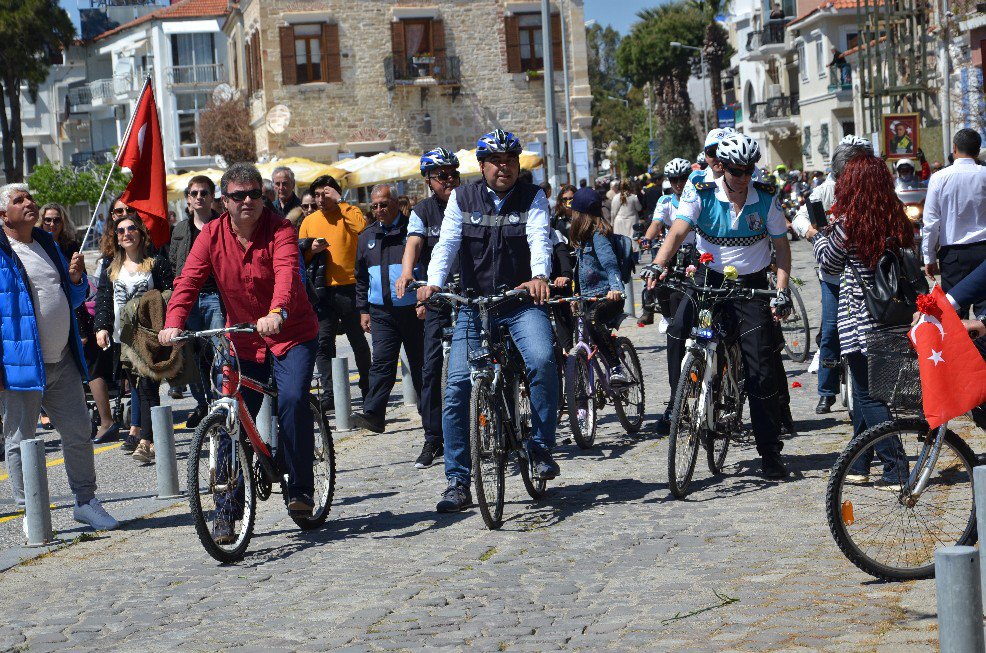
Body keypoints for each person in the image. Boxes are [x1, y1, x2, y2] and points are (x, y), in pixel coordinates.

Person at [159, 162, 321, 534]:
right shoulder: (211, 235)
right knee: (229, 419)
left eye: (254, 194)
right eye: (238, 195)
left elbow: (286, 274)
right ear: (223, 201)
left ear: (263, 198)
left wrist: (277, 311)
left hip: (290, 333)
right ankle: (227, 513)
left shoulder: (280, 228)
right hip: (243, 338)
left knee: (293, 398)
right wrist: (173, 323)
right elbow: (188, 280)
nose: (247, 201)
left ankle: (300, 488)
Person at [417, 129, 560, 512]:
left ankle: (541, 446)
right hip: (473, 305)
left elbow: (539, 240)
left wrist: (540, 277)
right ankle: (457, 480)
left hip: (519, 301)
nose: (504, 166)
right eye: (496, 161)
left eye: (511, 160)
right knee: (457, 388)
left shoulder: (534, 196)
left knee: (543, 360)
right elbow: (447, 244)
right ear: (481, 166)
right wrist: (433, 284)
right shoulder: (463, 197)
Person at [648, 133, 794, 478]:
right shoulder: (701, 192)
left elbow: (782, 249)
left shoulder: (767, 198)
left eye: (748, 170)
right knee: (682, 330)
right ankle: (683, 398)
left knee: (761, 370)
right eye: (735, 170)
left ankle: (770, 452)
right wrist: (659, 263)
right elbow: (678, 231)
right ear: (723, 167)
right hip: (710, 281)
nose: (742, 177)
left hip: (751, 287)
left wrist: (782, 290)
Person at [0, 183, 119, 531]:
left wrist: (76, 279)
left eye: (29, 197)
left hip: (62, 358)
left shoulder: (47, 243)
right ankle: (30, 513)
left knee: (79, 432)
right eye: (19, 200)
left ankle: (85, 502)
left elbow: (73, 297)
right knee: (20, 441)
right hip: (20, 364)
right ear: (3, 214)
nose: (29, 203)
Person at [811, 154, 911, 484]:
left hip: (859, 318)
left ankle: (896, 466)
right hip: (893, 316)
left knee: (869, 396)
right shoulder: (896, 217)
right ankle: (858, 463)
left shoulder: (849, 223)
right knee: (868, 390)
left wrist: (817, 236)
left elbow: (829, 264)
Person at [792, 136, 874, 414]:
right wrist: (815, 234)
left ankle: (873, 387)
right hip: (834, 277)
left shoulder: (874, 191)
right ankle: (826, 390)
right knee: (830, 332)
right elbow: (800, 218)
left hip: (866, 278)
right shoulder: (826, 191)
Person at [395, 147, 461, 468]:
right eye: (442, 176)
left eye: (453, 174)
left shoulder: (471, 200)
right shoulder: (422, 211)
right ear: (428, 181)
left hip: (471, 291)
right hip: (437, 293)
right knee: (430, 366)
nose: (450, 180)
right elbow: (414, 243)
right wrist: (407, 273)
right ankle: (433, 438)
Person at [94, 207, 174, 463]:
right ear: (116, 237)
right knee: (138, 390)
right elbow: (104, 300)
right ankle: (151, 439)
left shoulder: (156, 263)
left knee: (149, 389)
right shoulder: (111, 266)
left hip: (149, 336)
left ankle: (146, 442)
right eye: (120, 230)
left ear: (141, 234)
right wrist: (101, 327)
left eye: (131, 229)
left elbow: (171, 295)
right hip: (123, 339)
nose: (126, 234)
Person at [351, 184, 425, 434]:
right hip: (381, 312)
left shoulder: (413, 230)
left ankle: (430, 418)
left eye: (384, 204)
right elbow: (360, 277)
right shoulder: (366, 236)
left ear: (395, 202)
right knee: (381, 364)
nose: (379, 209)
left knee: (420, 365)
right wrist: (363, 309)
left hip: (413, 310)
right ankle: (373, 414)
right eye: (374, 206)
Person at [298, 174, 372, 409]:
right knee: (323, 343)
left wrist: (341, 201)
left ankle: (368, 387)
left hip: (350, 287)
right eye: (317, 195)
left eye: (325, 194)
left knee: (358, 340)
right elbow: (300, 255)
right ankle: (330, 395)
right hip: (321, 291)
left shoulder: (347, 212)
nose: (320, 199)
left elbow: (362, 227)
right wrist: (311, 249)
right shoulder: (310, 221)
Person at [168, 175, 224, 429]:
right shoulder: (180, 229)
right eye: (194, 193)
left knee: (219, 351)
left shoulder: (223, 224)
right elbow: (173, 262)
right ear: (188, 198)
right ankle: (203, 403)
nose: (199, 197)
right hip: (189, 299)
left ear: (213, 197)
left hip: (215, 297)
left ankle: (222, 402)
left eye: (204, 193)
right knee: (192, 355)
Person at [921, 128, 986, 318]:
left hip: (953, 256)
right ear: (977, 149)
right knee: (984, 317)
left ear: (954, 148)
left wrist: (929, 258)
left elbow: (931, 223)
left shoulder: (939, 177)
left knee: (954, 316)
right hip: (984, 251)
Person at [569, 188, 629, 383]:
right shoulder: (583, 238)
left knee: (593, 319)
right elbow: (581, 273)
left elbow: (610, 264)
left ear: (579, 214)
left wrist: (616, 289)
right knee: (582, 327)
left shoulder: (598, 235)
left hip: (606, 296)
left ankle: (616, 367)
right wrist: (576, 295)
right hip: (589, 297)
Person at [642, 158, 693, 341]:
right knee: (659, 280)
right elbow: (656, 223)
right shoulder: (665, 201)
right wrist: (647, 238)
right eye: (674, 179)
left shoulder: (698, 197)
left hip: (697, 250)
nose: (679, 184)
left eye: (683, 178)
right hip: (673, 250)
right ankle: (665, 314)